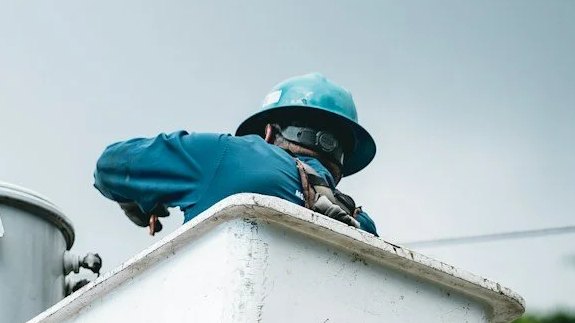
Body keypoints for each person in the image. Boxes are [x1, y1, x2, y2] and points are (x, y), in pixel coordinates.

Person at [94, 73, 379, 236]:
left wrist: (140, 201)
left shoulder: (229, 157)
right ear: (341, 163)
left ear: (267, 133)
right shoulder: (363, 227)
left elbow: (110, 167)